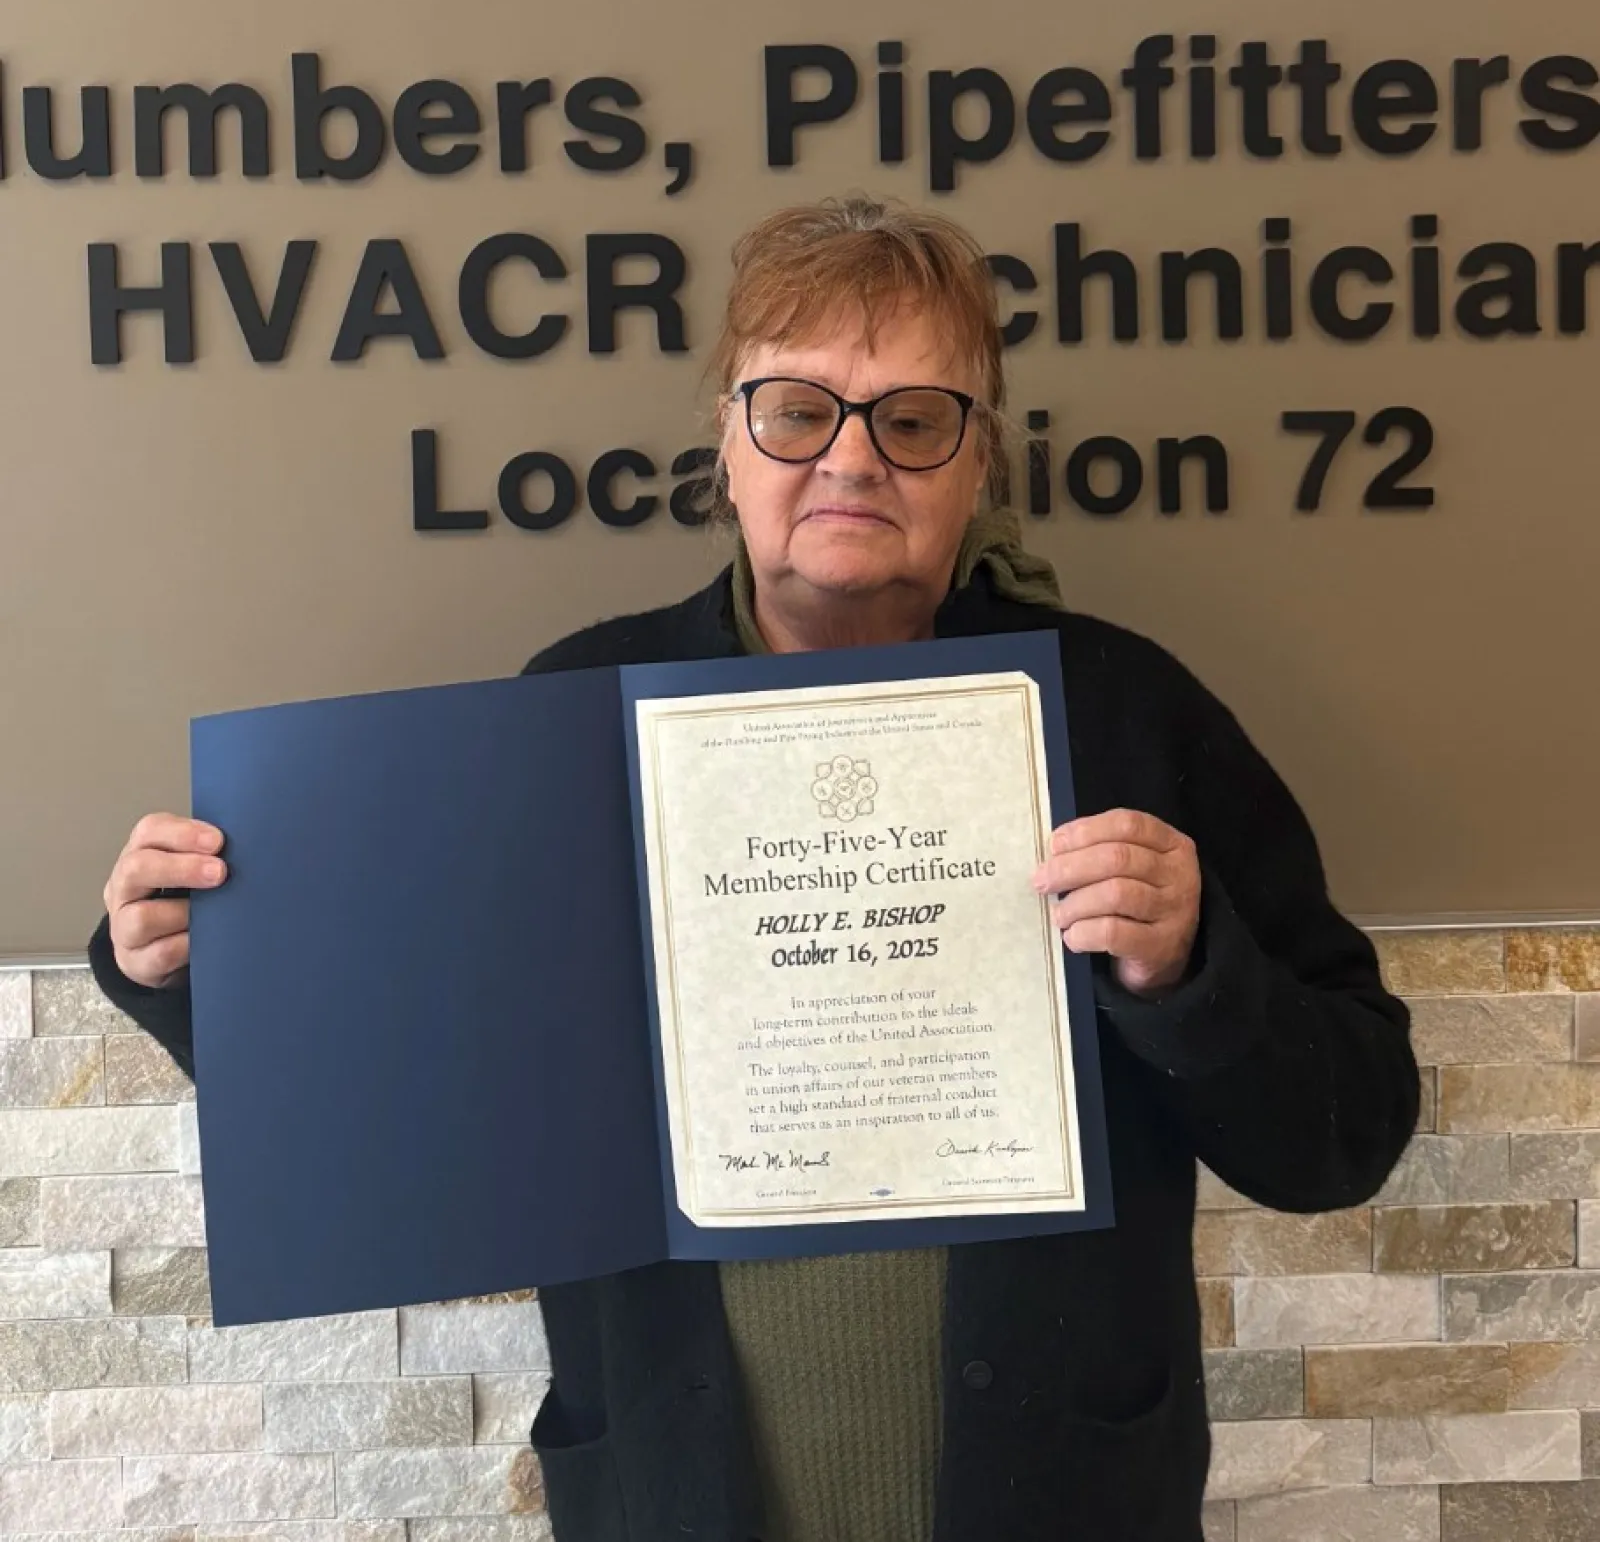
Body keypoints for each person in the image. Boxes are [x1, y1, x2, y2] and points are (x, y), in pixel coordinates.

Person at [88, 195, 1420, 1542]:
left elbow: (1347, 1135)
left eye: (914, 418)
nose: (853, 459)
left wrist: (1192, 973)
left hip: (1066, 1497)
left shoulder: (1127, 713)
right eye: (796, 410)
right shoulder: (570, 712)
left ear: (981, 464)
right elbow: (419, 1114)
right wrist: (208, 970)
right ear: (726, 443)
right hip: (677, 1497)